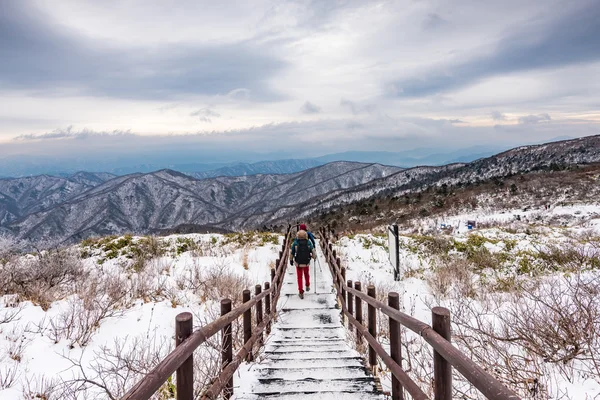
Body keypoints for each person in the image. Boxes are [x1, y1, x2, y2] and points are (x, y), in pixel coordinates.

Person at [290, 229, 316, 299]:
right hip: (306, 262)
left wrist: (291, 260)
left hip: (298, 263)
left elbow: (292, 252)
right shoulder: (308, 242)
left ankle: (301, 291)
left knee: (299, 277)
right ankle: (307, 285)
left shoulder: (295, 243)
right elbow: (313, 252)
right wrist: (314, 257)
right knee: (306, 274)